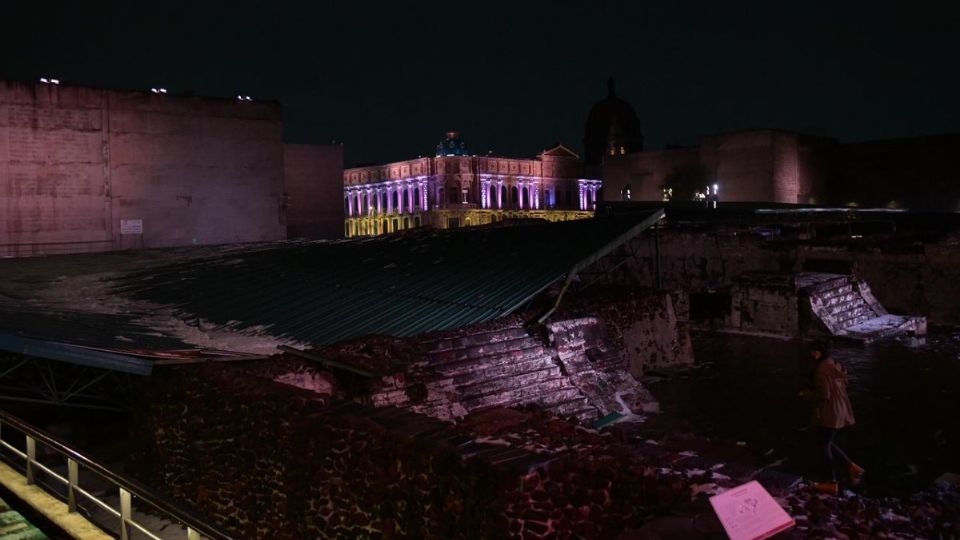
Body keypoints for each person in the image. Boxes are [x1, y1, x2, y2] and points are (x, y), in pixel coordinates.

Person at [801, 341, 864, 494]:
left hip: (830, 411)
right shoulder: (833, 364)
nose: (812, 355)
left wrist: (805, 395)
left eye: (813, 352)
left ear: (818, 352)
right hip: (840, 408)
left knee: (823, 445)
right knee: (825, 442)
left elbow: (824, 395)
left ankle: (831, 482)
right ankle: (853, 468)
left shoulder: (821, 369)